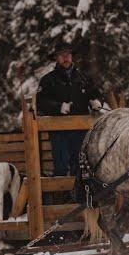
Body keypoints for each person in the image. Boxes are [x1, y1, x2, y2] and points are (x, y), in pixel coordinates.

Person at [36, 42, 103, 176]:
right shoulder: (48, 80)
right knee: (60, 167)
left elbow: (95, 94)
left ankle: (78, 195)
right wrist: (58, 107)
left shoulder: (83, 78)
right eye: (62, 55)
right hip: (59, 132)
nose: (66, 57)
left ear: (72, 57)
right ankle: (62, 195)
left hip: (80, 131)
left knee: (79, 166)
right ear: (56, 58)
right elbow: (41, 102)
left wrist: (96, 102)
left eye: (68, 54)